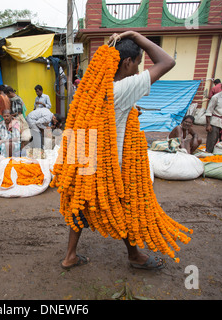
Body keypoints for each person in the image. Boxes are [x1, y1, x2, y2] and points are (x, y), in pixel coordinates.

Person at [60, 30, 176, 271]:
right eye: (137, 62)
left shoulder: (91, 89)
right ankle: (134, 255)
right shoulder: (124, 88)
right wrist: (135, 35)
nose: (138, 68)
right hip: (109, 165)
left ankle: (70, 255)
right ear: (127, 62)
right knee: (124, 205)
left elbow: (98, 118)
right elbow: (167, 62)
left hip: (83, 156)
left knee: (78, 202)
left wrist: (130, 112)